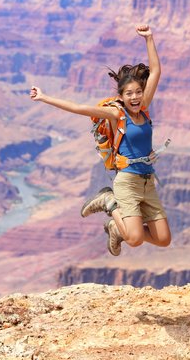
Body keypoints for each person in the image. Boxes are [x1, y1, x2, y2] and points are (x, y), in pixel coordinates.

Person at [30, 25, 171, 256]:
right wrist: (45, 97)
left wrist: (149, 38)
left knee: (163, 239)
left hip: (148, 183)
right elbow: (78, 108)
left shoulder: (144, 109)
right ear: (121, 97)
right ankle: (109, 202)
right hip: (127, 182)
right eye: (129, 94)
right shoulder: (118, 115)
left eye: (138, 92)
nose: (135, 97)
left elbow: (155, 71)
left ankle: (117, 226)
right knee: (134, 239)